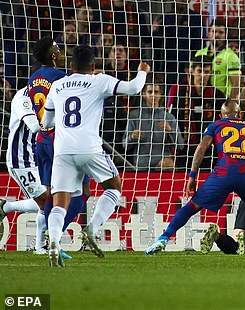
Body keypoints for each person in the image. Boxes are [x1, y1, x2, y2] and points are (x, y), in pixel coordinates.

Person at [41, 45, 150, 266]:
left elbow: (46, 122)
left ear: (71, 65)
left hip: (62, 151)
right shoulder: (99, 80)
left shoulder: (57, 86)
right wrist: (142, 71)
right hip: (89, 148)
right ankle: (92, 228)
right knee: (113, 187)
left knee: (59, 202)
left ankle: (53, 241)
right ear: (93, 66)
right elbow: (134, 88)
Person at [144, 101, 245, 256]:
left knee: (193, 205)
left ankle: (163, 239)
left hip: (225, 171)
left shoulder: (216, 125)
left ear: (221, 115)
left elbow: (201, 148)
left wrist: (192, 176)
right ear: (240, 114)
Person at [28, 38, 89, 255]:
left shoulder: (33, 78)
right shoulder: (61, 78)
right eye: (57, 48)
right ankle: (53, 235)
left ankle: (45, 240)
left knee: (50, 192)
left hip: (42, 140)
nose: (61, 51)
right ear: (53, 55)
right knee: (82, 191)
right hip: (60, 141)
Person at [0, 87, 47, 250]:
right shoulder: (23, 97)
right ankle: (40, 247)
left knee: (54, 200)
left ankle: (6, 207)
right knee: (47, 201)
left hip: (39, 157)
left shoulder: (49, 95)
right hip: (21, 161)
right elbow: (34, 126)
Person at [123, 83, 183, 171]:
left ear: (160, 95)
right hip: (141, 166)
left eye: (156, 92)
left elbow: (181, 145)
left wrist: (171, 131)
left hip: (164, 165)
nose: (153, 95)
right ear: (144, 94)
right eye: (150, 92)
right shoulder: (134, 116)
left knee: (168, 165)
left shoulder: (169, 117)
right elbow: (124, 145)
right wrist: (131, 137)